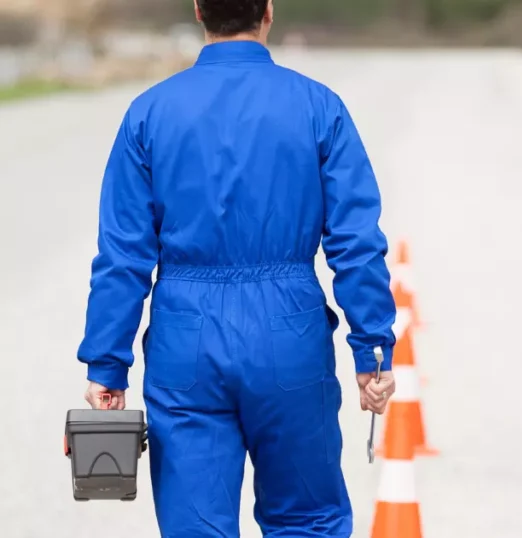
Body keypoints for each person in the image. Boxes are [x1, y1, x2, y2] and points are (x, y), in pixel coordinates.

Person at [75, 1, 396, 535]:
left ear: (199, 11)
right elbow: (356, 241)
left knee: (196, 524)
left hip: (186, 338)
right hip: (289, 331)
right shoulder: (320, 107)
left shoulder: (149, 112)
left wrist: (107, 365)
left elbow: (122, 255)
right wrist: (373, 351)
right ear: (268, 11)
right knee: (307, 518)